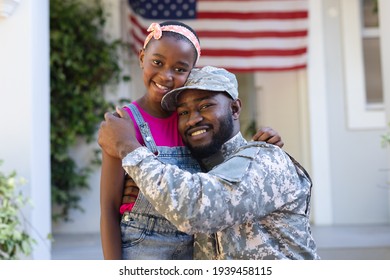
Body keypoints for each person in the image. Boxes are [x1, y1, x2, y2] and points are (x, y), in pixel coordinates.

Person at [100, 21, 284, 260]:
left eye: (179, 69)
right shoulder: (123, 124)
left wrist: (260, 146)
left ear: (192, 71)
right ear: (142, 57)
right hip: (143, 249)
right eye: (157, 62)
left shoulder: (191, 123)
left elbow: (225, 168)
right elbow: (108, 208)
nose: (166, 76)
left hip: (196, 246)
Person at [98, 66, 320, 260]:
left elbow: (194, 210)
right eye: (183, 112)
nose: (193, 119)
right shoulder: (196, 171)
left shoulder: (265, 160)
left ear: (234, 109)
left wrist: (128, 148)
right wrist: (145, 195)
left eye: (205, 106)